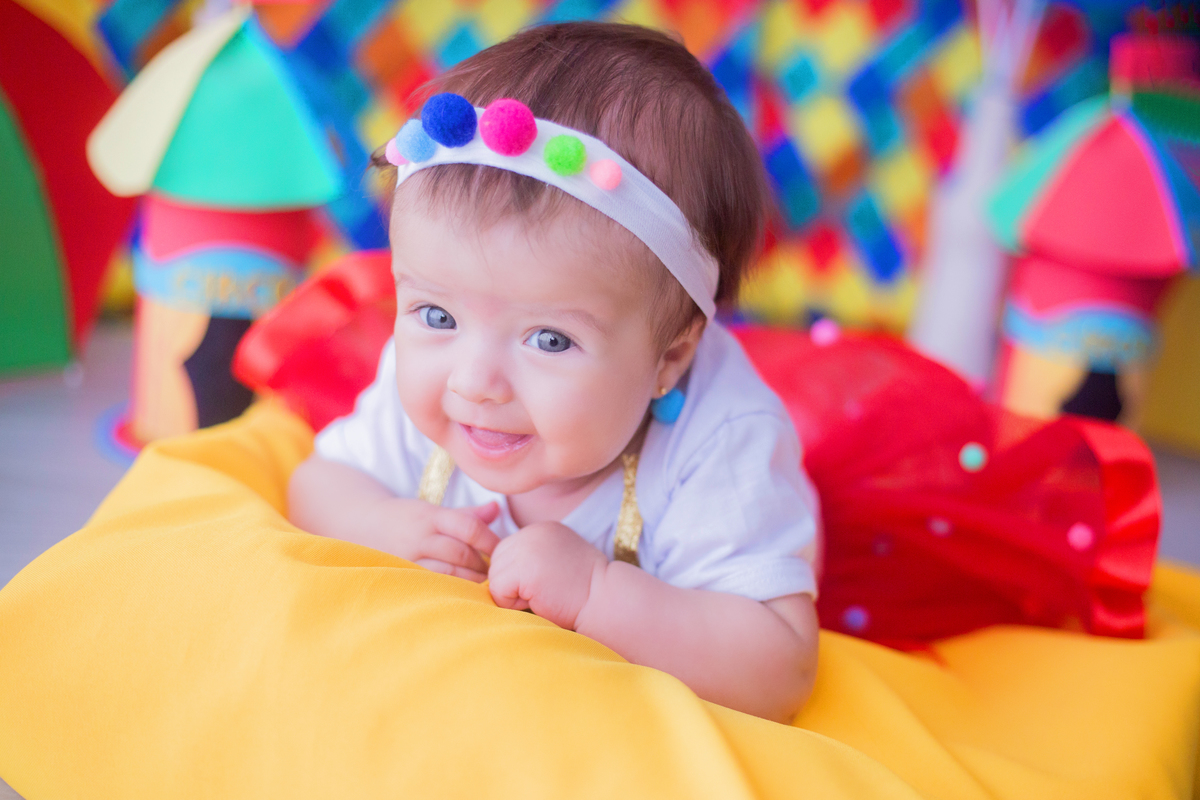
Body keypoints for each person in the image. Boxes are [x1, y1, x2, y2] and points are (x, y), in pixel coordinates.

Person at [288, 22, 820, 723]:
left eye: (549, 339)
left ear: (669, 356)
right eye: (437, 315)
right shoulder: (432, 378)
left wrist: (598, 593)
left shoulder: (721, 441)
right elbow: (317, 483)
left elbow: (779, 666)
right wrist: (378, 523)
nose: (475, 382)